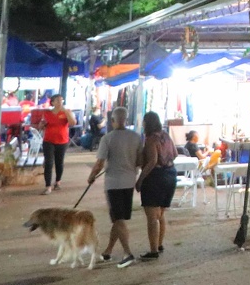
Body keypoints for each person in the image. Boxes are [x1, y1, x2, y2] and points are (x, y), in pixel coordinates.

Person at [88, 106, 141, 268]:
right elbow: (139, 161)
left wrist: (91, 176)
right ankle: (108, 251)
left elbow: (100, 162)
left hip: (113, 183)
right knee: (119, 218)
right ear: (126, 119)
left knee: (118, 219)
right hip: (129, 181)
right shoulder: (136, 137)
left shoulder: (107, 138)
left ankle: (127, 253)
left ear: (112, 120)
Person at [136, 111, 178, 261]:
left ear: (147, 123)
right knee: (161, 214)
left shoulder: (151, 140)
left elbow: (152, 161)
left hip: (156, 178)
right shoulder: (166, 135)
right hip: (171, 175)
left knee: (152, 217)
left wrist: (140, 179)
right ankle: (159, 244)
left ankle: (153, 250)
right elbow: (175, 153)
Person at [36, 94, 76, 194]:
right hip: (48, 140)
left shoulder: (67, 112)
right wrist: (42, 124)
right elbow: (40, 126)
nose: (60, 102)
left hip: (62, 141)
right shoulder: (47, 113)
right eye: (57, 100)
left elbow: (72, 123)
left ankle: (58, 181)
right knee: (48, 163)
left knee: (59, 162)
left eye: (61, 100)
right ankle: (48, 186)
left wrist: (66, 111)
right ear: (52, 102)